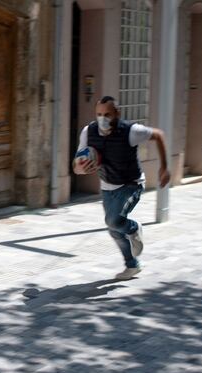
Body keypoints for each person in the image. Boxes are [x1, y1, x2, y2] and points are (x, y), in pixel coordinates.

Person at [73, 96, 171, 280]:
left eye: (107, 114)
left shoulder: (131, 131)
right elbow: (78, 161)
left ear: (117, 113)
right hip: (107, 185)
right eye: (99, 114)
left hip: (130, 184)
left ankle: (134, 228)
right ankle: (132, 266)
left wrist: (164, 167)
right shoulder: (89, 131)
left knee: (114, 221)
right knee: (114, 228)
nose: (103, 118)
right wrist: (80, 168)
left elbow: (159, 135)